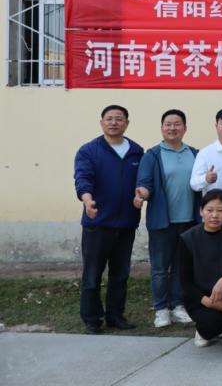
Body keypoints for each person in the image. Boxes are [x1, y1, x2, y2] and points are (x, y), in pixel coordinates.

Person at [74, 104, 144, 334]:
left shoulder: (136, 151)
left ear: (127, 123)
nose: (114, 123)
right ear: (101, 122)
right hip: (97, 223)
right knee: (92, 274)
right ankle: (92, 319)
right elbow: (82, 179)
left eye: (119, 119)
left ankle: (115, 316)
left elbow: (143, 182)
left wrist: (141, 195)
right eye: (109, 118)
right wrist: (87, 201)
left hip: (126, 223)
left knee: (120, 274)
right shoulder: (89, 151)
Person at [134, 109, 199, 328]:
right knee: (160, 268)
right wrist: (141, 195)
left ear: (185, 128)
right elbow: (144, 184)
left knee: (181, 267)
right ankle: (161, 309)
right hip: (162, 222)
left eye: (177, 124)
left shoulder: (194, 153)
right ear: (162, 128)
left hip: (189, 221)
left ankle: (178, 306)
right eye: (168, 124)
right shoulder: (152, 155)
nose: (172, 128)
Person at [178, 189, 222, 353]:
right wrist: (208, 302)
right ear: (201, 211)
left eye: (220, 210)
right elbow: (185, 282)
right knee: (210, 327)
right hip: (200, 297)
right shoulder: (187, 238)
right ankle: (204, 329)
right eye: (209, 210)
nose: (215, 215)